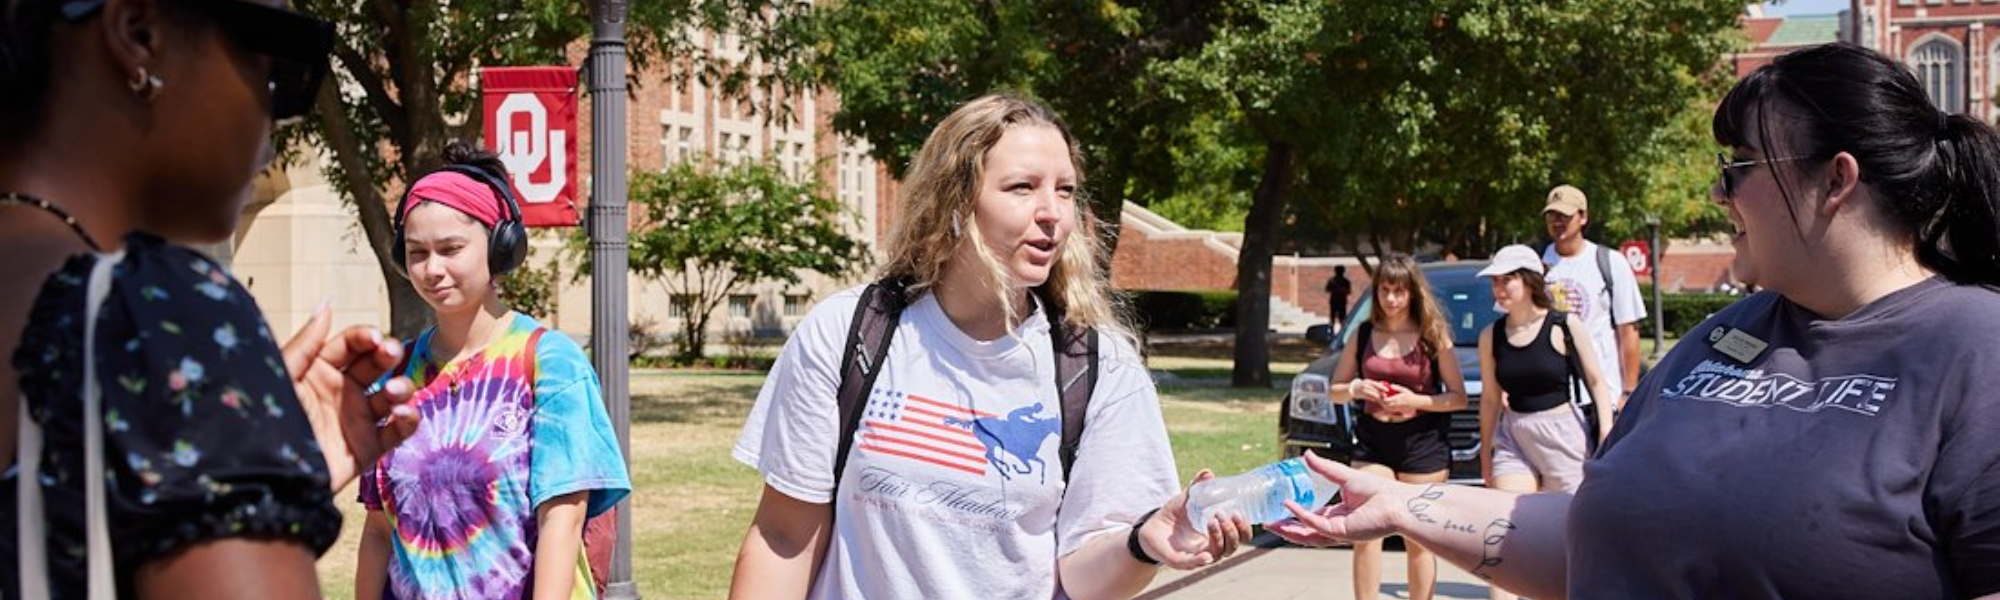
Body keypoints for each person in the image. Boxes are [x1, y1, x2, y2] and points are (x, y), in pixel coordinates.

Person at [1269, 43, 2000, 600]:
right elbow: (1593, 536)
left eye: (1741, 165)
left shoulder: (1976, 352)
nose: (1718, 192)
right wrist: (1402, 503)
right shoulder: (1722, 336)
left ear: (1836, 181)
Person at [727, 94, 1251, 600]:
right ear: (954, 200)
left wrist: (1142, 541)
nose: (1053, 212)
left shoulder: (1099, 368)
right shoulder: (848, 331)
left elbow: (1086, 579)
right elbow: (785, 537)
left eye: (1066, 191)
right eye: (1022, 187)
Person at [0, 0, 422, 597]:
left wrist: (244, 464)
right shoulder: (160, 313)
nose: (280, 115)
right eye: (274, 65)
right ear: (139, 33)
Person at [355, 142, 631, 600]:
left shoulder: (551, 364)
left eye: (451, 248)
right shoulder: (394, 376)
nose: (432, 269)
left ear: (500, 249)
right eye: (418, 252)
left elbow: (562, 520)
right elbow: (378, 530)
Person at [1324, 254, 1468, 600]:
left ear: (1413, 293)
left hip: (1422, 443)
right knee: (1367, 534)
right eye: (1385, 290)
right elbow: (1335, 390)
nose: (1391, 299)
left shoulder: (1433, 335)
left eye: (1399, 291)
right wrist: (1357, 388)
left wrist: (1414, 401)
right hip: (1374, 439)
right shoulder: (1362, 335)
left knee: (1418, 541)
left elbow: (1458, 397)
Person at [1538, 184, 1647, 412]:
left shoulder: (1609, 262)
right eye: (1551, 215)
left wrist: (1628, 391)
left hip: (1603, 394)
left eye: (1565, 215)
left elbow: (1628, 330)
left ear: (1583, 217)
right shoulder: (1536, 264)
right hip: (1550, 398)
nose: (1557, 222)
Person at [1326, 265, 1354, 333]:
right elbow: (1327, 289)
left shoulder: (1345, 281)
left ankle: (1342, 331)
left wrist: (1339, 290)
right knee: (1334, 317)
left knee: (1341, 317)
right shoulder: (1333, 281)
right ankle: (1333, 331)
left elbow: (1348, 291)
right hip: (1336, 301)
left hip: (1340, 301)